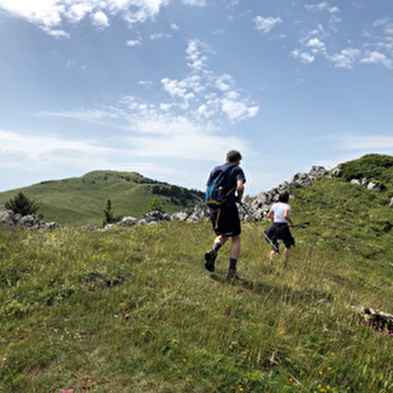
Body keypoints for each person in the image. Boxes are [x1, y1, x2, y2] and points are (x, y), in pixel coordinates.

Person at [204, 150, 246, 279]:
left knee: (223, 234)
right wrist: (238, 197)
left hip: (215, 207)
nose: (239, 163)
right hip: (228, 207)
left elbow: (209, 187)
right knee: (236, 237)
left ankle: (213, 251)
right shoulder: (237, 169)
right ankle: (231, 272)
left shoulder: (216, 169)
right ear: (237, 160)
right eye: (239, 161)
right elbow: (240, 187)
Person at [265, 191, 295, 266]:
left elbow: (268, 215)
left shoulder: (275, 205)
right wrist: (292, 223)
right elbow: (285, 216)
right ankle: (285, 262)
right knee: (288, 244)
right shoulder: (287, 206)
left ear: (279, 198)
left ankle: (271, 262)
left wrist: (275, 219)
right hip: (283, 227)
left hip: (274, 226)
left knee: (274, 246)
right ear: (287, 199)